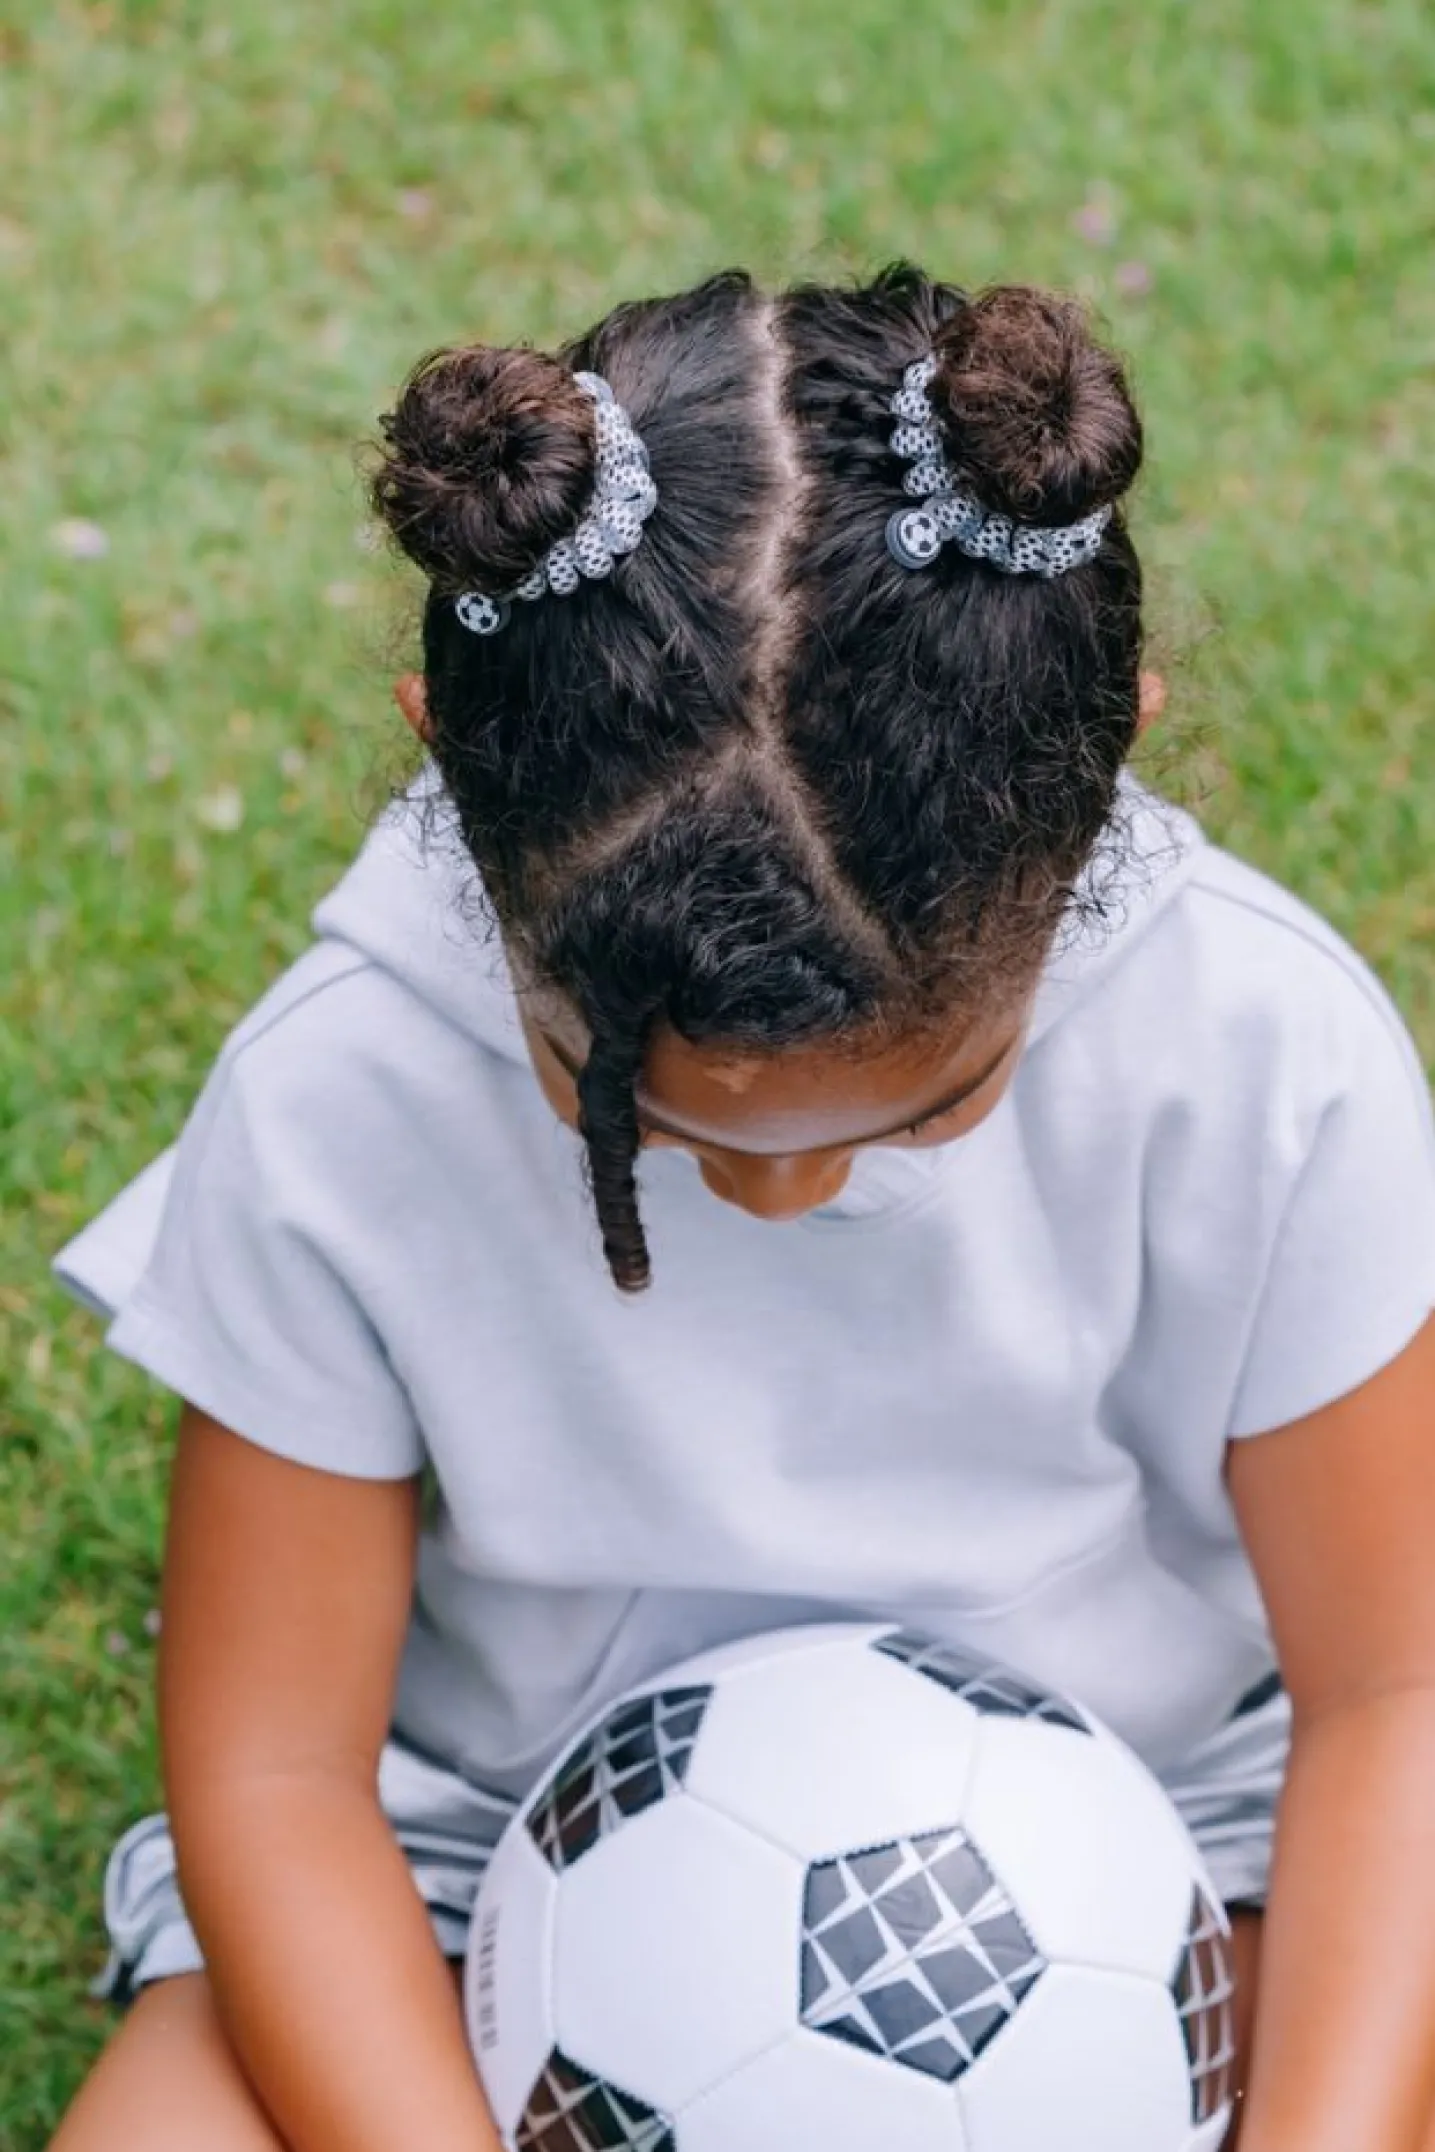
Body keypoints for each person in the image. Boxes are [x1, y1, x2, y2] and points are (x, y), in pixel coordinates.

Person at [48, 268, 1435, 2152]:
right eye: (647, 1120)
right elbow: (277, 1770)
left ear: (1101, 777)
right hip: (487, 1854)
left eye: (927, 1109)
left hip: (1162, 1824)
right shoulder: (342, 1098)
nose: (779, 1198)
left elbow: (1393, 1690)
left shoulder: (1265, 1059)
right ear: (457, 783)